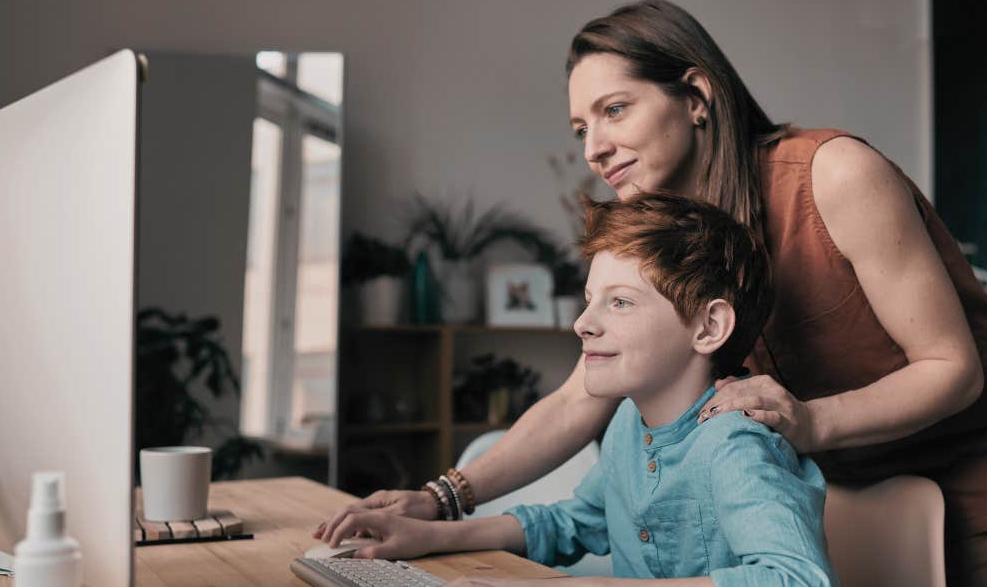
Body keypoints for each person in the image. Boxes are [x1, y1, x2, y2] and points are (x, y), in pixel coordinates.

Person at [318, 0, 987, 586]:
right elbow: (581, 395)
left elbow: (953, 368)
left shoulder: (833, 175)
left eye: (615, 110)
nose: (595, 146)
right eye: (581, 126)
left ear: (695, 95)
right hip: (845, 491)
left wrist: (809, 420)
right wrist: (442, 497)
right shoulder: (659, 229)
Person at [318, 193, 835, 585]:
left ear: (707, 327)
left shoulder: (735, 445)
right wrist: (431, 535)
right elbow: (576, 523)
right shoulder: (630, 424)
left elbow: (798, 577)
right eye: (590, 300)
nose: (583, 324)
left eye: (621, 302)